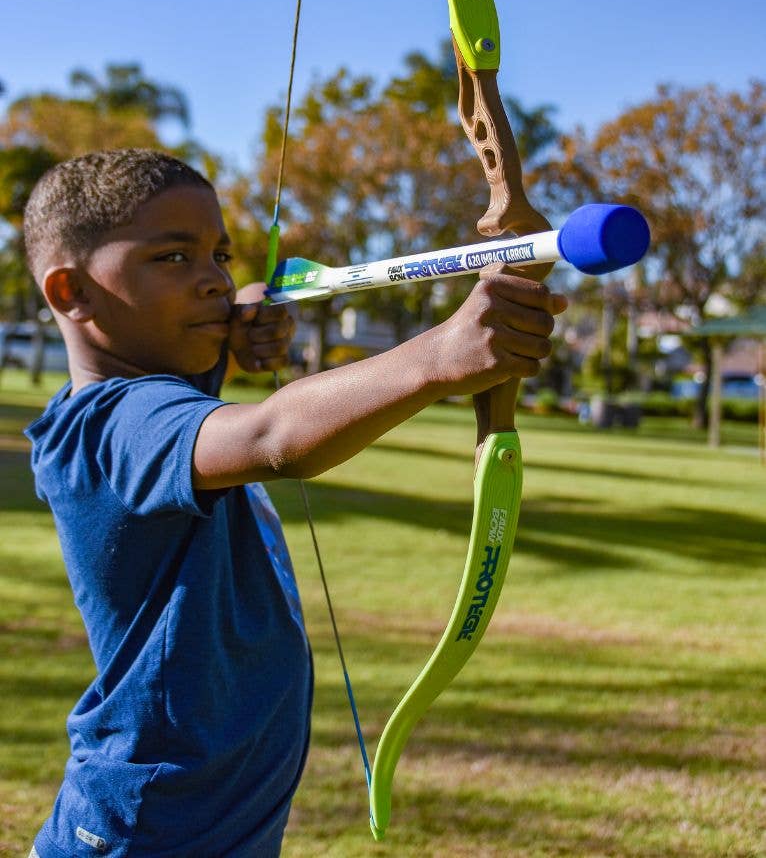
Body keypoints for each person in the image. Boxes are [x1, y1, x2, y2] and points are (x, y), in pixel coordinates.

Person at [22, 148, 566, 857]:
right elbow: (277, 436)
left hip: (216, 818)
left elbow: (234, 308)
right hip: (150, 827)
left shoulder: (160, 384)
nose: (212, 280)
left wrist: (245, 311)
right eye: (173, 258)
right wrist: (442, 356)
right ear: (71, 294)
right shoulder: (112, 426)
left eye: (219, 253)